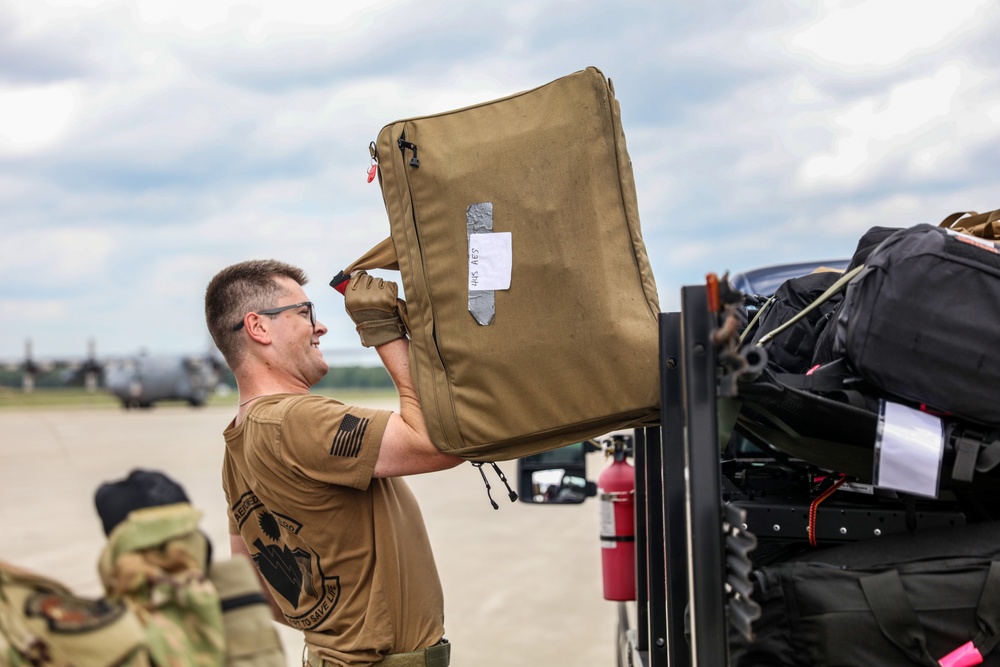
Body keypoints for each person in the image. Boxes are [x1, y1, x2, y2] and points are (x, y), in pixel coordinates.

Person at [204, 260, 462, 667]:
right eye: (305, 313)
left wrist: (336, 632)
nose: (320, 327)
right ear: (258, 327)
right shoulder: (296, 419)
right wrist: (382, 330)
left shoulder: (237, 441)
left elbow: (255, 589)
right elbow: (440, 443)